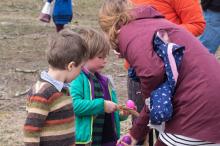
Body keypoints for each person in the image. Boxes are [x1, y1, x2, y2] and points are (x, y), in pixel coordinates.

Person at [99, 0, 220, 145]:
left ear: (110, 26)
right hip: (211, 101)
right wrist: (136, 132)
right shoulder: (152, 23)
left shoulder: (127, 32)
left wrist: (143, 122)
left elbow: (152, 73)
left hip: (196, 108)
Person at [23, 29, 89, 146]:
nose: (81, 72)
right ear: (71, 66)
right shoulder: (42, 93)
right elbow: (31, 131)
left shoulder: (63, 90)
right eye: (81, 68)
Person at [69, 27, 128, 146]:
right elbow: (73, 105)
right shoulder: (77, 78)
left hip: (107, 139)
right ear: (84, 56)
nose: (105, 61)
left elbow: (108, 112)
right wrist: (102, 105)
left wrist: (121, 114)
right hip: (86, 141)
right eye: (100, 57)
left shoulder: (104, 81)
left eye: (105, 56)